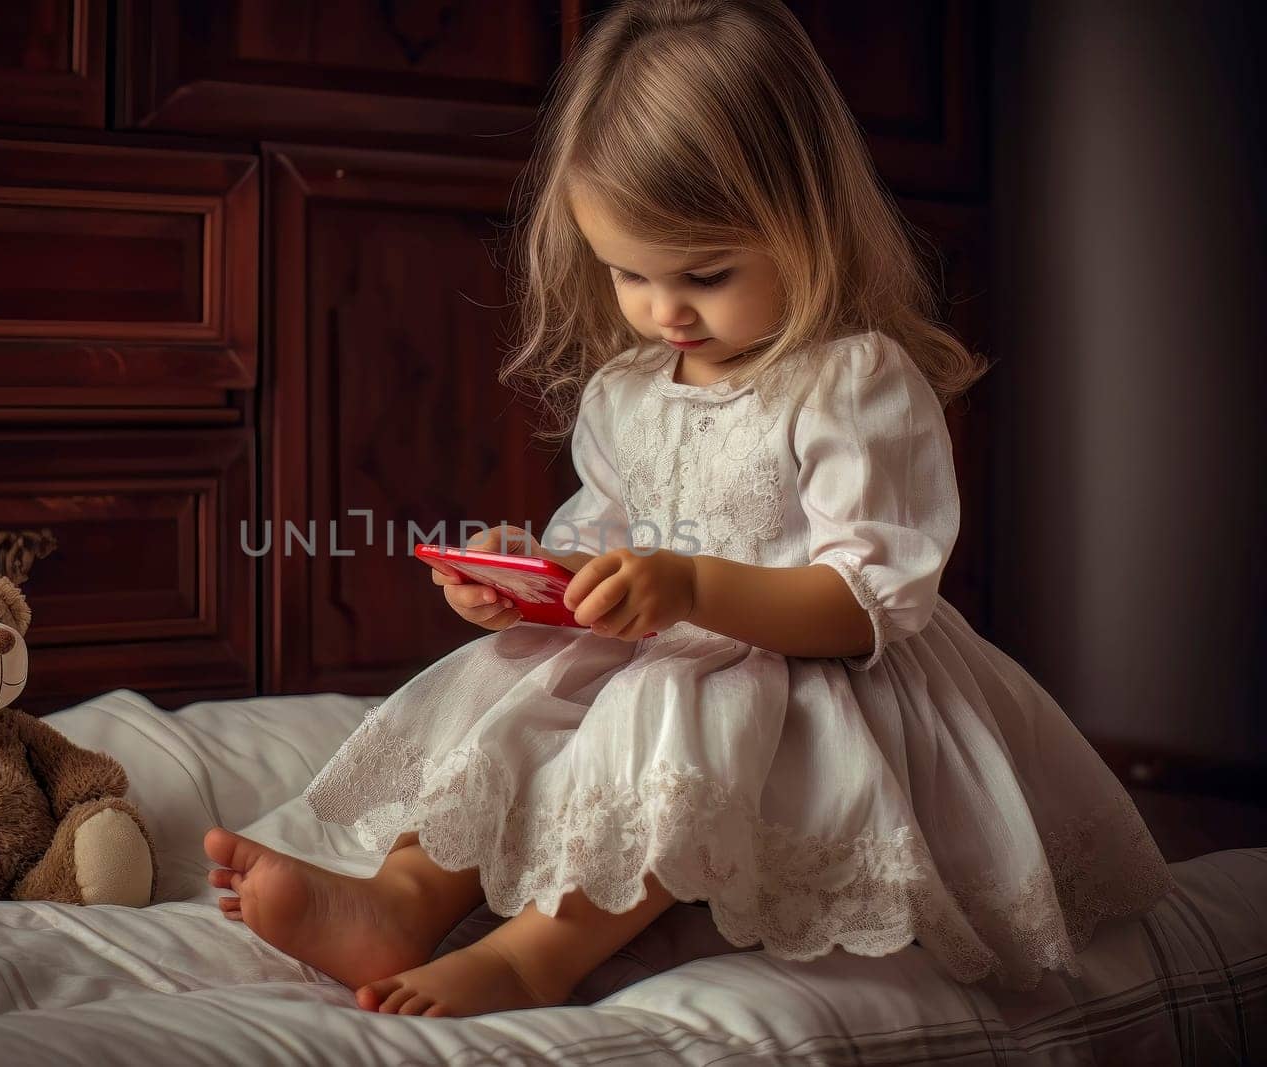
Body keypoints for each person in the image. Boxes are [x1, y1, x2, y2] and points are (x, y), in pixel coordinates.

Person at [203, 0, 1174, 1018]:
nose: (665, 309)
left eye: (704, 275)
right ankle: (406, 892)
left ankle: (539, 950)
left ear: (804, 226)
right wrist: (530, 581)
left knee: (686, 702)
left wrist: (695, 587)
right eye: (629, 272)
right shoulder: (632, 391)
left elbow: (867, 604)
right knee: (515, 680)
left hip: (803, 680)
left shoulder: (848, 383)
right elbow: (604, 540)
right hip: (668, 640)